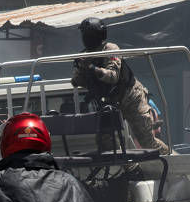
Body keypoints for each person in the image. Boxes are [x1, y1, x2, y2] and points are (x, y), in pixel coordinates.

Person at [71, 17, 170, 156]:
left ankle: (174, 160)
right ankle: (132, 170)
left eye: (89, 35)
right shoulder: (82, 56)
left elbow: (112, 77)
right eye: (84, 35)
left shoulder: (109, 49)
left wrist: (92, 67)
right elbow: (76, 81)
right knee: (105, 142)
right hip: (110, 103)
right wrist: (81, 68)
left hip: (131, 97)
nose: (86, 38)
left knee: (147, 141)